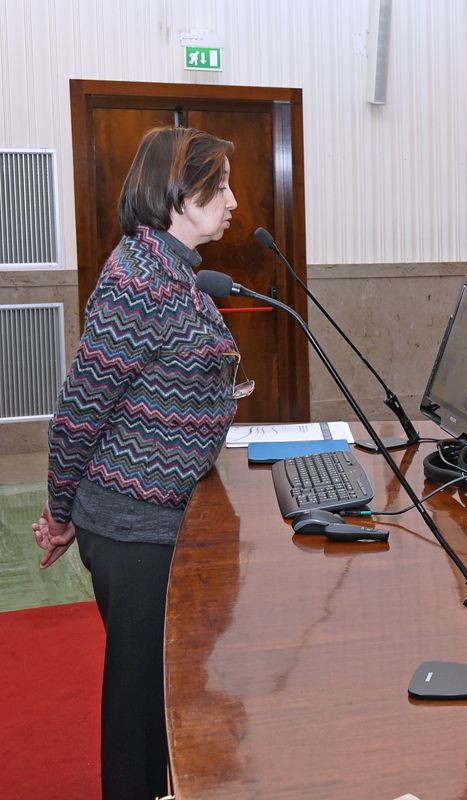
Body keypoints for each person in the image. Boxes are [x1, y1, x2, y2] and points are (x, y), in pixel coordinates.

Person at [33, 126, 241, 799]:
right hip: (130, 527)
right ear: (179, 195)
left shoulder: (173, 272)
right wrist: (60, 514)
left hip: (155, 519)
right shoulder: (139, 279)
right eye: (222, 185)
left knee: (163, 693)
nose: (233, 200)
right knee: (138, 706)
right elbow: (80, 412)